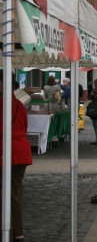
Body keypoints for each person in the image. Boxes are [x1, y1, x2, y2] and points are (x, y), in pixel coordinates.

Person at [0, 71, 33, 242]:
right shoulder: (19, 104)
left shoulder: (3, 103)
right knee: (15, 193)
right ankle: (16, 232)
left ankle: (11, 232)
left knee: (10, 193)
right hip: (20, 151)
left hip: (8, 152)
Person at [88, 78, 97, 145]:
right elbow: (90, 98)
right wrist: (93, 93)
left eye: (95, 83)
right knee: (94, 124)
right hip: (94, 108)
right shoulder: (94, 90)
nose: (94, 85)